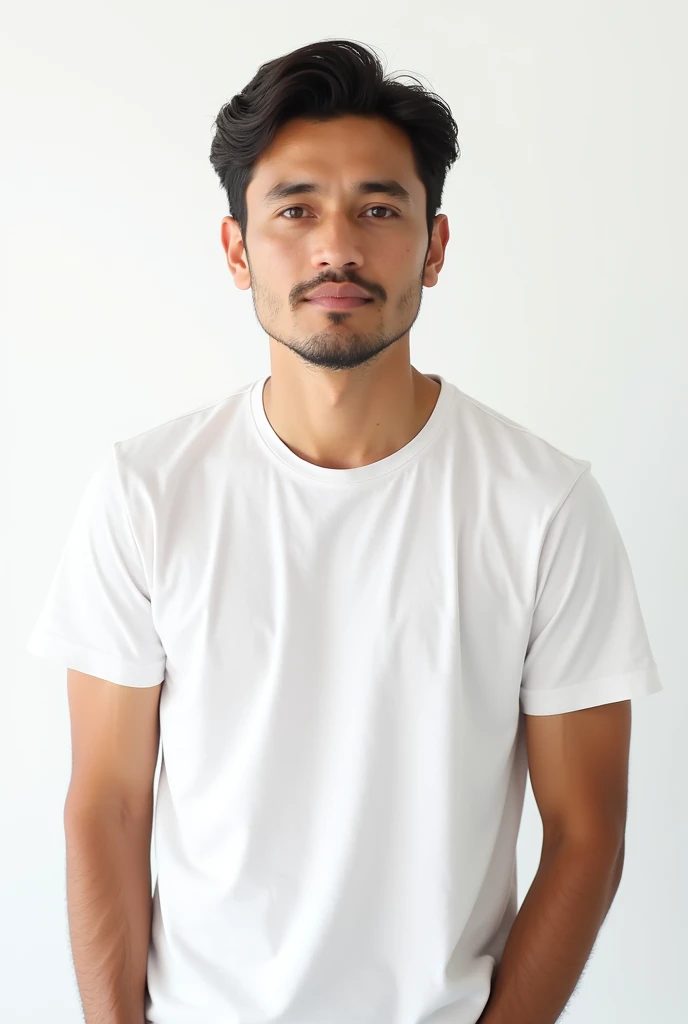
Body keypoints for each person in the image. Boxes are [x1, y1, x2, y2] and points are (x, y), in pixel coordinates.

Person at [26, 37, 662, 1024]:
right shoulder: (147, 491)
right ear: (237, 248)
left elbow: (586, 832)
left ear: (434, 245)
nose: (336, 247)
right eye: (295, 210)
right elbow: (105, 802)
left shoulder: (542, 505)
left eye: (378, 208)